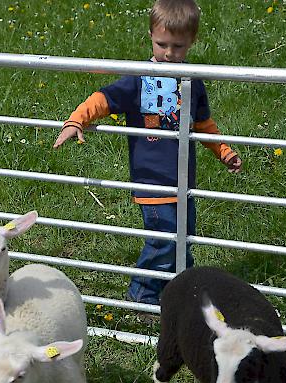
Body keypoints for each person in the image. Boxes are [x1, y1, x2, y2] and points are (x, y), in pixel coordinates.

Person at [53, 0, 242, 306]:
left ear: (192, 41)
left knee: (184, 240)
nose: (169, 53)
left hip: (182, 181)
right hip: (152, 182)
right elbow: (104, 99)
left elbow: (203, 124)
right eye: (161, 44)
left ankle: (182, 292)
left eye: (178, 46)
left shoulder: (193, 81)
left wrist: (223, 151)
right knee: (162, 241)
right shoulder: (138, 78)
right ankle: (142, 296)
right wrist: (77, 120)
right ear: (151, 36)